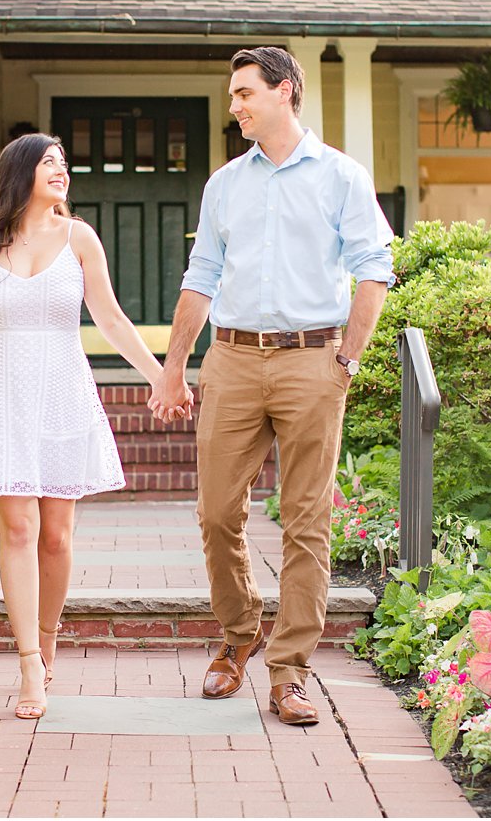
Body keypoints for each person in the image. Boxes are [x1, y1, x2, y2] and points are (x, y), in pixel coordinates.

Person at [149, 46, 395, 725]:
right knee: (217, 513)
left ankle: (289, 672)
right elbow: (201, 276)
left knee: (306, 521)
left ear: (284, 91)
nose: (234, 106)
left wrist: (345, 359)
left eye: (243, 93)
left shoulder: (341, 176)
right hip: (231, 359)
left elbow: (374, 268)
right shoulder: (225, 184)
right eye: (232, 95)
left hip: (313, 360)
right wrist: (173, 366)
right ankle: (238, 635)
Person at [0, 133, 164, 721]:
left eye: (64, 163)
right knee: (18, 528)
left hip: (61, 393)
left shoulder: (79, 238)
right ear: (20, 172)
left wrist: (161, 376)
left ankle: (49, 634)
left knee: (57, 534)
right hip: (0, 393)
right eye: (48, 163)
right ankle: (30, 661)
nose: (61, 171)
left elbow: (109, 317)